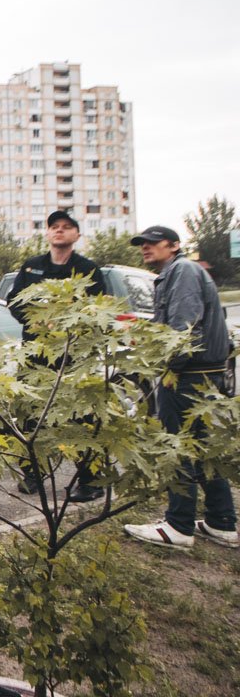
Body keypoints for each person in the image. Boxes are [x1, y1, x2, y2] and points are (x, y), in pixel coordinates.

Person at [123, 225, 237, 549]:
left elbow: (184, 327)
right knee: (202, 450)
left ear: (173, 245)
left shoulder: (182, 271)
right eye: (142, 244)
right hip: (205, 371)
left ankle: (179, 526)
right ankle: (222, 523)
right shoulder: (177, 272)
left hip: (187, 374)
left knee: (178, 449)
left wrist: (168, 367)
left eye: (153, 243)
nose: (145, 248)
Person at [6, 210, 106, 501]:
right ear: (48, 233)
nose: (59, 231)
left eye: (67, 227)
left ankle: (90, 481)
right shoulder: (31, 267)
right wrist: (38, 319)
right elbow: (14, 302)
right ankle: (33, 474)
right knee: (29, 416)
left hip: (71, 358)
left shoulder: (87, 269)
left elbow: (97, 309)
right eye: (54, 227)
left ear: (76, 235)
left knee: (78, 418)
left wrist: (64, 318)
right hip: (35, 355)